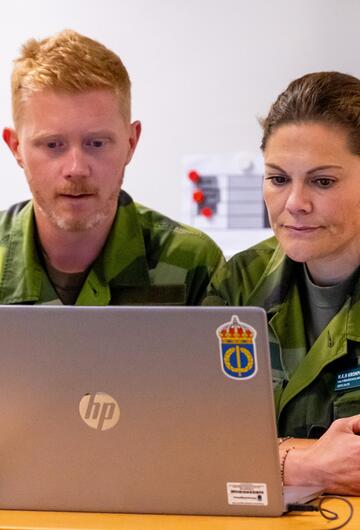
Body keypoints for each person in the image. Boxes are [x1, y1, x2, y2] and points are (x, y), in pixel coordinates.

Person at [203, 71, 360, 494]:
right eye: (278, 179)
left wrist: (265, 456)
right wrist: (307, 464)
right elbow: (194, 439)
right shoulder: (241, 281)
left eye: (322, 181)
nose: (295, 204)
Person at [1, 29, 224, 305]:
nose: (76, 168)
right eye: (52, 145)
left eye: (96, 143)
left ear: (131, 142)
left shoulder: (192, 264)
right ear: (16, 148)